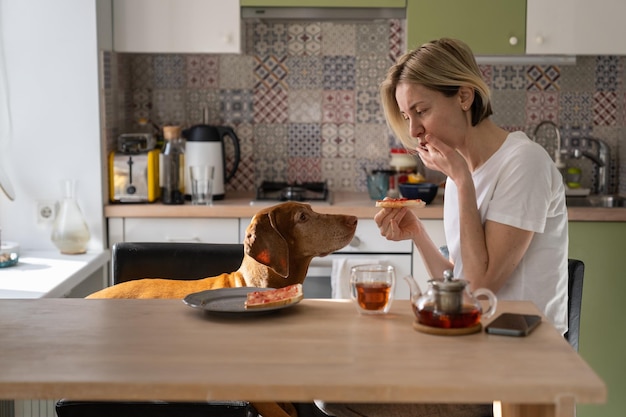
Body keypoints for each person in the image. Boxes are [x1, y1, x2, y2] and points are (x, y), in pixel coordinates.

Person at [316, 38, 568, 417]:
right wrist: (417, 232)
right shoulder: (458, 176)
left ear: (464, 96)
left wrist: (463, 181)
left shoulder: (523, 163)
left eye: (421, 110)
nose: (414, 129)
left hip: (520, 365)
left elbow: (481, 289)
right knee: (335, 382)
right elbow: (461, 285)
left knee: (338, 397)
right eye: (406, 116)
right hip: (474, 349)